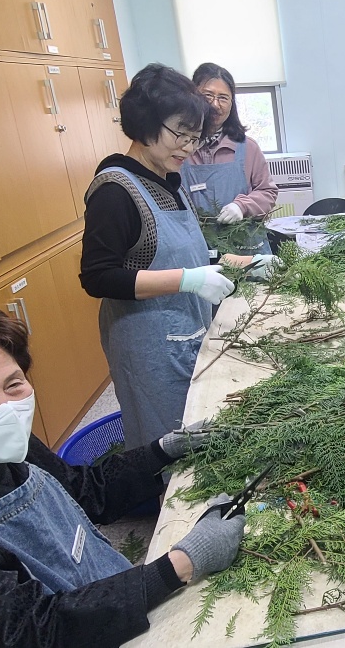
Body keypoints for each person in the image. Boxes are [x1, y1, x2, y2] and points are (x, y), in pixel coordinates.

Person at [0, 303, 246, 647]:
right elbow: (34, 632)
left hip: (100, 614)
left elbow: (83, 492)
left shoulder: (2, 450)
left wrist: (165, 450)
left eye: (14, 384)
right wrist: (178, 565)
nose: (6, 410)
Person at [79, 64, 270, 448]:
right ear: (145, 124)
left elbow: (186, 253)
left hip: (186, 333)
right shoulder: (115, 190)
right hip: (150, 350)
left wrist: (246, 264)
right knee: (167, 446)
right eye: (180, 134)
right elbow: (98, 277)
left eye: (194, 137)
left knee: (198, 433)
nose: (188, 147)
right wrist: (188, 280)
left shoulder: (169, 180)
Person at [187, 62, 278, 255]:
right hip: (199, 250)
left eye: (223, 98)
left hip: (247, 248)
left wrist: (242, 206)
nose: (215, 104)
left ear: (232, 103)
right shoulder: (181, 149)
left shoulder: (247, 148)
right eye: (208, 96)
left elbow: (268, 192)